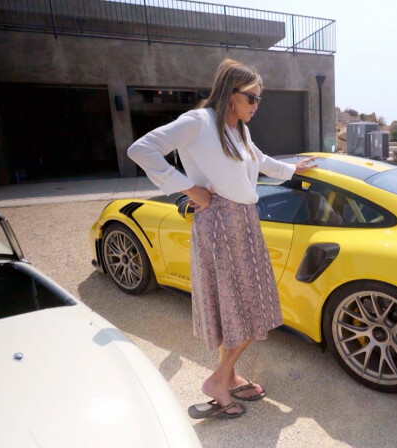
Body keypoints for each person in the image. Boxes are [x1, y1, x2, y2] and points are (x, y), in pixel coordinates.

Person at [127, 59, 316, 419]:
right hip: (219, 224)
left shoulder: (239, 129)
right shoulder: (197, 122)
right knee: (249, 308)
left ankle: (228, 376)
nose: (256, 106)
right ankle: (217, 380)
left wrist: (294, 169)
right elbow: (141, 149)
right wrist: (188, 188)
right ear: (231, 94)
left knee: (240, 307)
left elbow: (260, 160)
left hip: (243, 221)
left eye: (259, 99)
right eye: (251, 98)